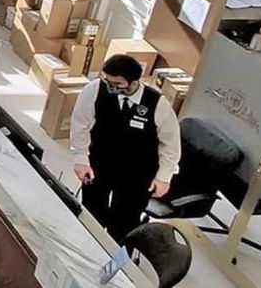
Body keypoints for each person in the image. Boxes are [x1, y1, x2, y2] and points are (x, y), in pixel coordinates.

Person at [70, 53, 181, 243]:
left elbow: (170, 144)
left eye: (117, 84)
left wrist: (164, 177)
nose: (111, 87)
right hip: (100, 163)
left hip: (138, 172)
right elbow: (79, 124)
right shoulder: (94, 90)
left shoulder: (157, 104)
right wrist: (80, 158)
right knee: (91, 214)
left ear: (134, 82)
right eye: (107, 81)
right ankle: (87, 245)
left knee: (124, 223)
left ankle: (117, 262)